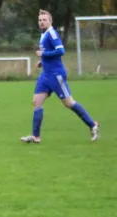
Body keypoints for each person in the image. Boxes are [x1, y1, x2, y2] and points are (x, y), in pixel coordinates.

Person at [21, 9, 100, 144]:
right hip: (46, 75)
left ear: (50, 21)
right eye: (40, 20)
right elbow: (49, 52)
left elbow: (60, 51)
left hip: (56, 75)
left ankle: (93, 125)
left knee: (69, 103)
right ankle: (36, 136)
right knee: (36, 102)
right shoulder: (44, 33)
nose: (41, 22)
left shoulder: (52, 33)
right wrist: (43, 61)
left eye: (44, 20)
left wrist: (43, 55)